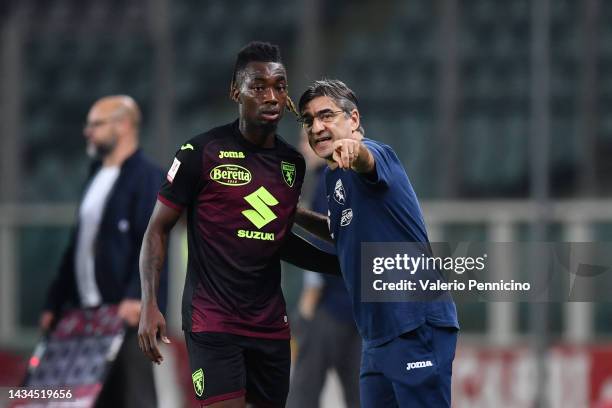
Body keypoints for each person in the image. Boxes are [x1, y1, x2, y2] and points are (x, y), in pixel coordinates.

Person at [137, 41, 339, 408]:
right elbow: (157, 229)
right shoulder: (200, 153)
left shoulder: (292, 164)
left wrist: (338, 264)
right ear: (236, 92)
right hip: (212, 321)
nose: (272, 96)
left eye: (279, 86)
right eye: (258, 87)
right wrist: (149, 303)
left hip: (270, 326)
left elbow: (278, 238)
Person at [295, 79, 460, 407]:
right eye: (309, 121)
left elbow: (367, 161)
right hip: (377, 335)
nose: (316, 127)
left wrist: (355, 150)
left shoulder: (377, 154)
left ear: (353, 120)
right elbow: (341, 230)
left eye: (326, 116)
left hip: (414, 324)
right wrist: (293, 215)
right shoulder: (332, 177)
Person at [40, 95, 167, 408]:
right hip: (86, 316)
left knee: (135, 398)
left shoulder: (147, 177)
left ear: (123, 126)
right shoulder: (95, 175)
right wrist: (54, 302)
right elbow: (78, 246)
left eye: (96, 124)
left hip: (126, 316)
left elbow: (153, 241)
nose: (88, 132)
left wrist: (139, 296)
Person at [287, 159, 361, 408]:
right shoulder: (359, 178)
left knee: (303, 393)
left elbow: (326, 243)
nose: (303, 145)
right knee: (362, 393)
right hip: (361, 310)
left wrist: (308, 306)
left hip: (328, 307)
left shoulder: (328, 180)